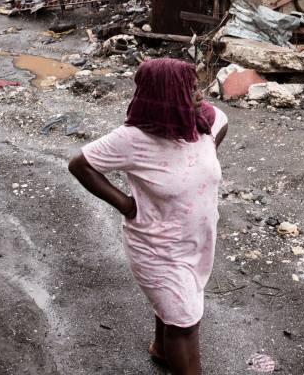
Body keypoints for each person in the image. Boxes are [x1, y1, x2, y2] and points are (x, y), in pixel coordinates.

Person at [68, 58, 228, 375]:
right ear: (167, 97)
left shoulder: (201, 124)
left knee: (177, 304)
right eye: (190, 89)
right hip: (156, 246)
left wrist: (203, 157)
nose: (200, 95)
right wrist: (126, 204)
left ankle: (161, 350)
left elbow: (223, 121)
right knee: (184, 323)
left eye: (197, 87)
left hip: (197, 241)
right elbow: (80, 165)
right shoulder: (133, 139)